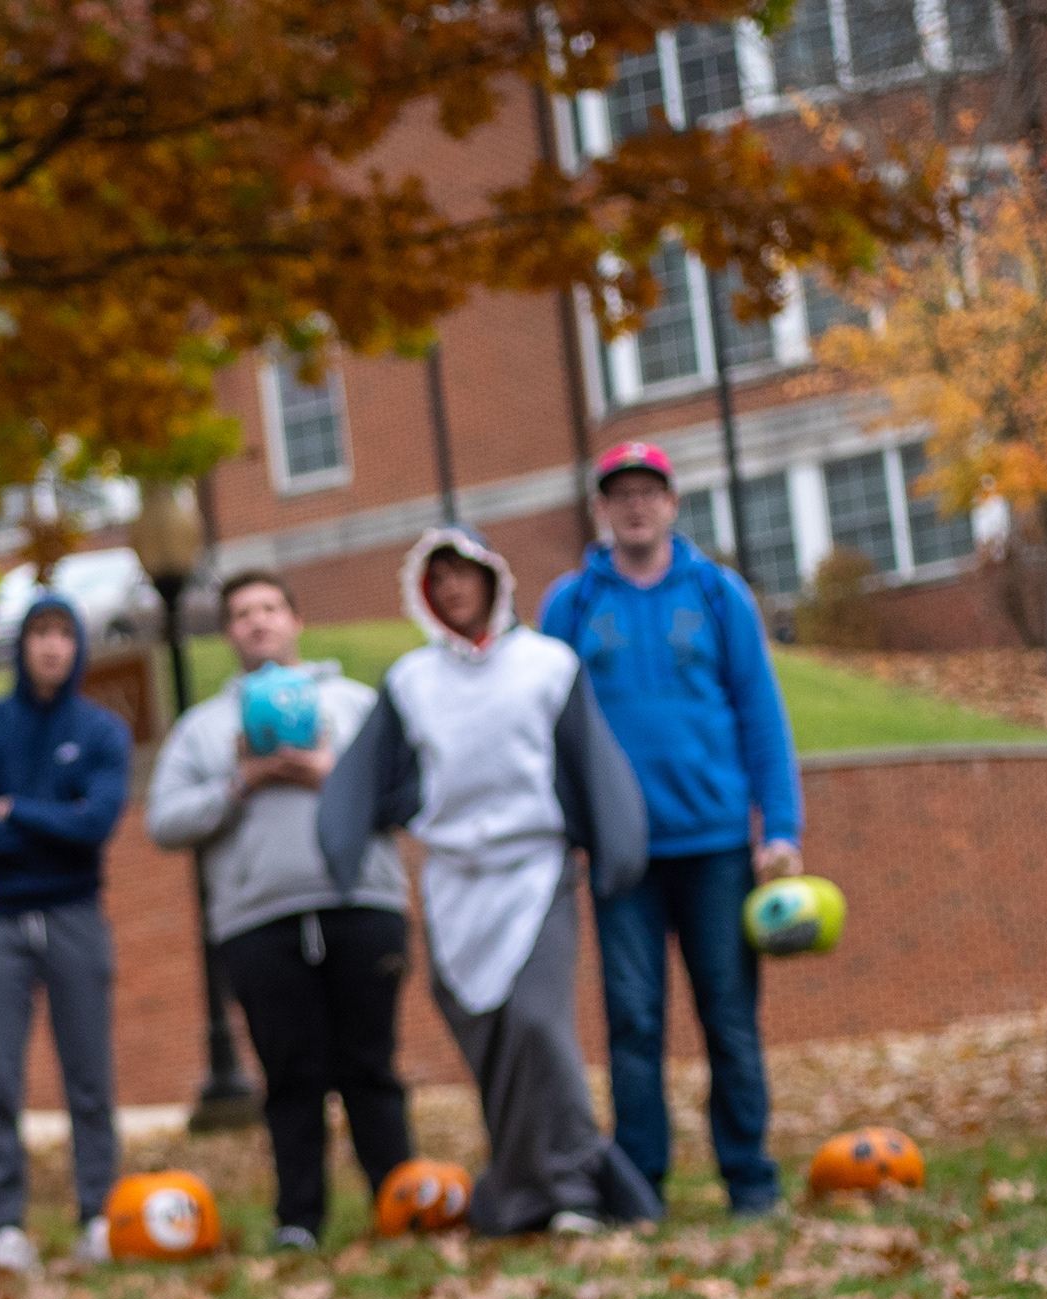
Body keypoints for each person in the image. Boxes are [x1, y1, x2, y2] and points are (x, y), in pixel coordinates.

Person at [316, 528, 659, 1238]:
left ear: (491, 580)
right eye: (437, 579)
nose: (452, 589)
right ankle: (525, 1192)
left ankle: (574, 1190)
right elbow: (366, 774)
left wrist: (618, 849)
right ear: (424, 592)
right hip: (453, 883)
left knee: (538, 1025)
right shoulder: (412, 682)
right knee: (491, 1041)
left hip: (536, 874)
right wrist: (341, 848)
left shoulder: (547, 666)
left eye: (462, 574)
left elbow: (591, 759)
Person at [538, 442, 806, 1218]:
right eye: (619, 493)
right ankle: (639, 1188)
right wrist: (565, 828)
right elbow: (549, 726)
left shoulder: (719, 594)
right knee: (632, 1022)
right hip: (622, 856)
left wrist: (779, 825)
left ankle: (750, 1180)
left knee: (728, 1018)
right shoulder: (572, 603)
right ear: (601, 508)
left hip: (717, 845)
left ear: (671, 501)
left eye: (648, 491)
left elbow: (762, 714)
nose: (635, 505)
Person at [147, 570, 405, 1250]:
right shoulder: (204, 728)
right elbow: (164, 821)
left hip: (361, 904)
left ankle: (401, 1200)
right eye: (241, 614)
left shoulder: (355, 705)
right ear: (229, 633)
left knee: (370, 1065)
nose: (256, 622)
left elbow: (407, 794)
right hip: (257, 921)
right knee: (290, 1074)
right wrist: (241, 782)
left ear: (294, 619)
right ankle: (300, 1219)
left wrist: (329, 775)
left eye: (268, 608)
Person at [0, 594, 133, 1273]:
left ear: (77, 645)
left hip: (78, 913)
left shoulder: (102, 730)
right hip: (0, 922)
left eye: (63, 634)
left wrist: (17, 810)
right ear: (21, 646)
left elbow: (98, 823)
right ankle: (5, 1226)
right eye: (39, 634)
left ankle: (98, 1216)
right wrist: (55, 818)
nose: (51, 647)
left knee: (89, 1075)